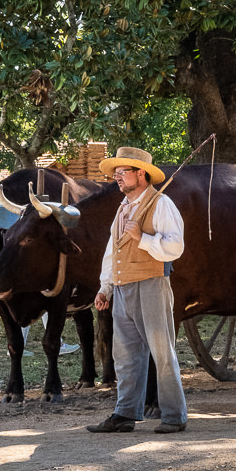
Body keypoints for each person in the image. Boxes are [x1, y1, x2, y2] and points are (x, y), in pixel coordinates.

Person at [87, 146, 187, 434]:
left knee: (161, 351)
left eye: (123, 173)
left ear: (140, 174)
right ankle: (125, 413)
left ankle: (174, 415)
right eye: (115, 174)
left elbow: (175, 247)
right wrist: (105, 287)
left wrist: (141, 237)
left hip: (152, 284)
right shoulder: (123, 209)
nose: (117, 178)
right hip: (122, 287)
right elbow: (112, 252)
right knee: (125, 354)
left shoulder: (162, 204)